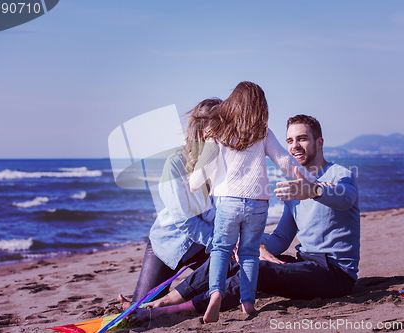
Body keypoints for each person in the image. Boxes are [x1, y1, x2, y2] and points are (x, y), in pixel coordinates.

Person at [130, 113, 360, 322]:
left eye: (302, 139)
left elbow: (346, 198)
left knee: (256, 271)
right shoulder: (295, 191)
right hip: (306, 262)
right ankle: (167, 299)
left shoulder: (339, 174)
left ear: (319, 142)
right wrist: (250, 245)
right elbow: (281, 238)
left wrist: (316, 190)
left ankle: (176, 309)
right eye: (289, 141)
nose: (295, 146)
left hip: (335, 273)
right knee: (238, 257)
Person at [189, 82, 318, 322]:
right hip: (258, 203)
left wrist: (193, 182)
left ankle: (215, 292)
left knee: (221, 249)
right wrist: (312, 180)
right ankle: (247, 302)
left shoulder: (216, 130)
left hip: (228, 200)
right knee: (249, 254)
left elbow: (203, 170)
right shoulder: (263, 132)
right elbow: (285, 162)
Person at [119, 98, 222, 306]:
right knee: (141, 307)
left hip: (203, 248)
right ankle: (137, 302)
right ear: (201, 129)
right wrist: (221, 242)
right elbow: (185, 221)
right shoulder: (176, 164)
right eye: (217, 125)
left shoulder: (226, 164)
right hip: (168, 247)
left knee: (232, 281)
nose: (222, 132)